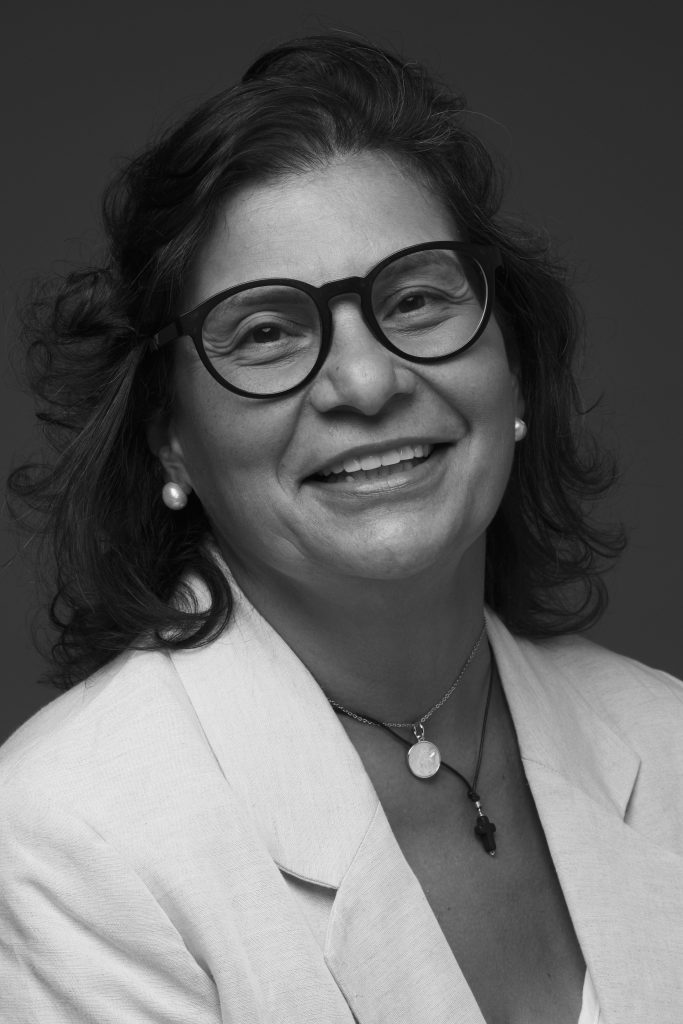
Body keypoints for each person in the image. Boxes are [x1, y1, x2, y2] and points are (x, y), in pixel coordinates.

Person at [1, 34, 681, 1024]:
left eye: (416, 298)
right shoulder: (70, 839)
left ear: (514, 370)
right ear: (169, 438)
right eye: (266, 331)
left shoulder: (666, 737)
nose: (365, 382)